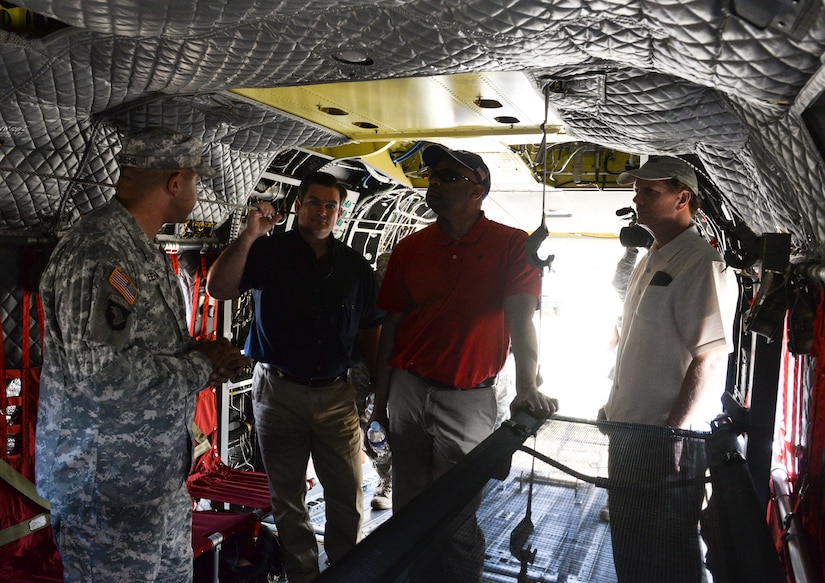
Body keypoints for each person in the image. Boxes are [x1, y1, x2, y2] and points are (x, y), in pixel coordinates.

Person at [35, 127, 251, 582]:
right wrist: (200, 365)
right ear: (175, 183)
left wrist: (205, 355)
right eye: (194, 179)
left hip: (153, 482)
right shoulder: (100, 251)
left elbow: (146, 349)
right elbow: (102, 376)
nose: (197, 190)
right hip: (106, 493)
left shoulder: (142, 248)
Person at [368, 144, 558, 582]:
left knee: (456, 516)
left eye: (448, 177)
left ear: (478, 189)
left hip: (469, 399)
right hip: (409, 391)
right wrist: (380, 404)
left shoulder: (513, 245)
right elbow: (391, 331)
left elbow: (521, 318)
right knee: (410, 511)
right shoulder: (410, 248)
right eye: (433, 175)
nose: (434, 182)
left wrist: (527, 384)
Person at [206, 171, 383, 583]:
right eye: (314, 202)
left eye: (331, 206)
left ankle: (344, 569)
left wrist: (377, 384)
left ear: (340, 213)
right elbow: (219, 287)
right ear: (298, 205)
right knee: (287, 497)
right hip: (277, 391)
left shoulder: (356, 268)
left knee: (346, 494)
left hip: (336, 395)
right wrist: (249, 235)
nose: (322, 212)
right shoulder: (269, 251)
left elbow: (371, 327)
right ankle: (301, 574)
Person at [599, 156, 738, 582]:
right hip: (630, 430)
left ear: (682, 198)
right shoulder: (651, 258)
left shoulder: (701, 264)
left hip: (664, 439)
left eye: (648, 192)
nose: (637, 199)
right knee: (632, 545)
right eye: (636, 191)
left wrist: (672, 437)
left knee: (667, 551)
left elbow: (710, 357)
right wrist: (613, 405)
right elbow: (637, 345)